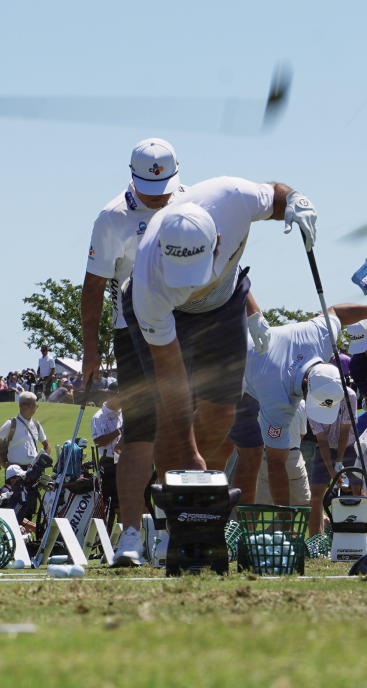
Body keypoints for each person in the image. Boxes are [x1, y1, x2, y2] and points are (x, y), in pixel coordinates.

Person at [125, 176, 317, 493]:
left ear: (217, 238)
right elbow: (170, 376)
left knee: (221, 414)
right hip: (172, 316)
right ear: (160, 246)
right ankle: (174, 512)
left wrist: (297, 200)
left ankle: (198, 498)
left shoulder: (234, 199)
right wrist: (189, 451)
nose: (189, 285)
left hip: (225, 304)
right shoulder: (149, 287)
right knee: (171, 422)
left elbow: (276, 196)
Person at [82, 138, 187, 567]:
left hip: (186, 328)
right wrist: (90, 351)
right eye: (150, 189)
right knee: (140, 434)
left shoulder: (190, 201)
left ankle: (170, 532)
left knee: (180, 433)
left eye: (165, 187)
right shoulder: (112, 217)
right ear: (132, 177)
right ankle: (129, 536)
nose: (159, 197)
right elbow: (92, 288)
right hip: (134, 333)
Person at [227, 304, 367, 505]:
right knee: (249, 454)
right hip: (227, 369)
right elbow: (276, 464)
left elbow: (336, 312)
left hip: (252, 363)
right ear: (306, 384)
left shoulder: (320, 338)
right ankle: (215, 519)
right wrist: (286, 523)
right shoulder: (278, 399)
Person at [307, 384, 358, 535]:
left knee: (358, 493)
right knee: (315, 496)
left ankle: (356, 537)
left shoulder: (350, 395)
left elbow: (345, 431)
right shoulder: (311, 401)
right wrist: (331, 470)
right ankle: (315, 541)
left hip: (349, 447)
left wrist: (339, 462)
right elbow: (321, 441)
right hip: (325, 450)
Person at [255, 400, 310, 507]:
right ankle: (321, 522)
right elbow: (302, 434)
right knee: (306, 504)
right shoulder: (300, 402)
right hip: (292, 456)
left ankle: (249, 525)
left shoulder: (262, 400)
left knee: (257, 505)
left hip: (267, 456)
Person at [0, 392, 51, 470]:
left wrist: (43, 461)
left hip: (34, 469)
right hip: (15, 472)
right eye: (31, 406)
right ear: (21, 406)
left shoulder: (36, 424)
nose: (33, 409)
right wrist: (3, 464)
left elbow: (47, 445)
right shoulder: (11, 424)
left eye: (35, 406)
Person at [90, 383, 123, 525]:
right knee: (108, 505)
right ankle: (106, 540)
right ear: (109, 396)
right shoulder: (99, 417)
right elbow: (99, 441)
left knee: (122, 505)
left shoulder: (123, 413)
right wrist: (120, 431)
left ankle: (121, 538)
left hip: (123, 462)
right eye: (119, 397)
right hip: (108, 463)